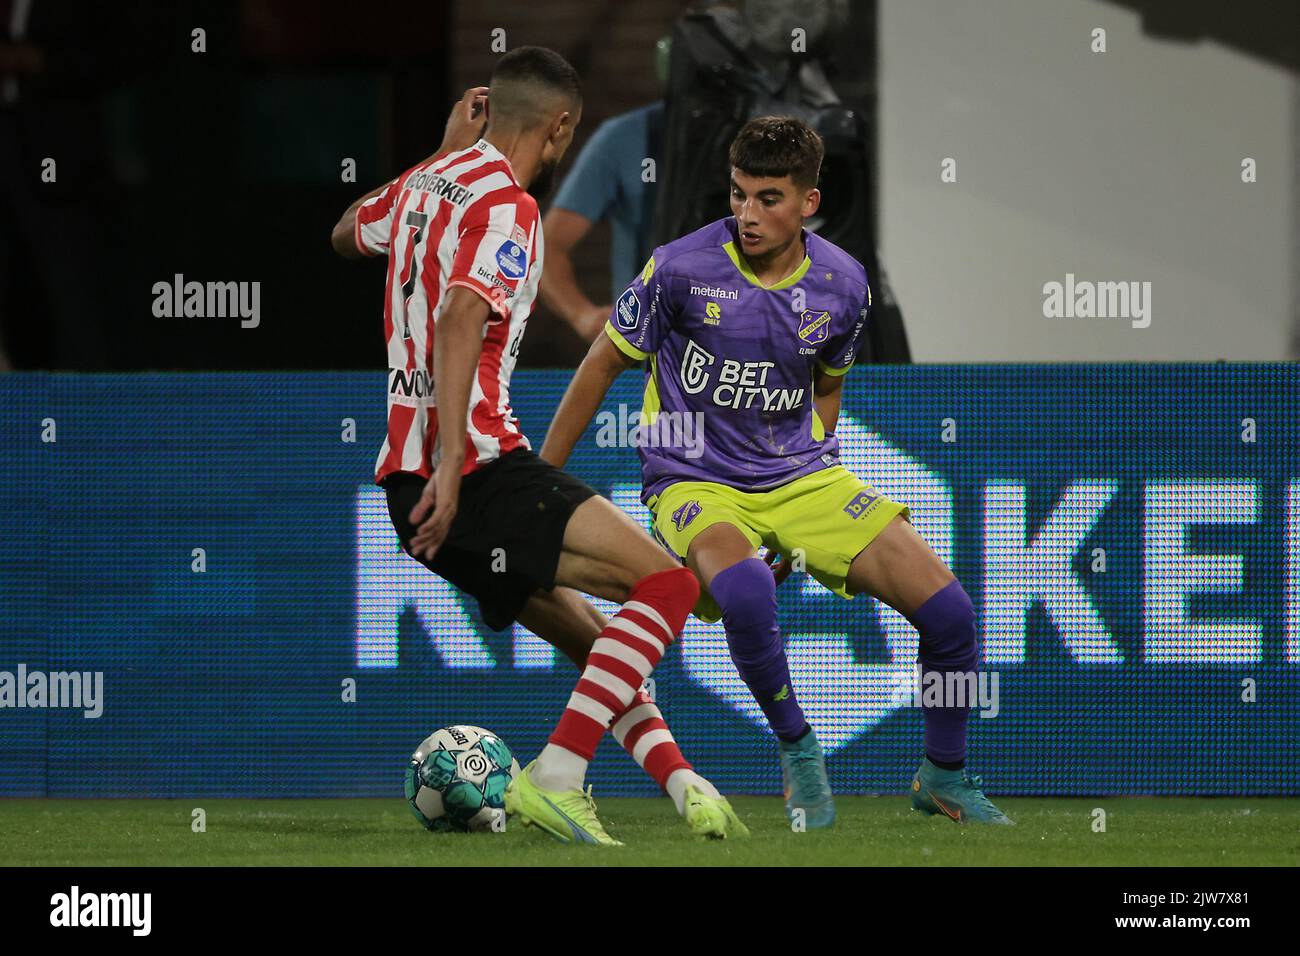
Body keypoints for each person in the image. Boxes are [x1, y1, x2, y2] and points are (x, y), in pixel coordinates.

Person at [540, 115, 1013, 828]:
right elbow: (601, 363)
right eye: (738, 195)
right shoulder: (678, 268)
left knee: (951, 615)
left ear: (808, 203)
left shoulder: (843, 284)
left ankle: (942, 774)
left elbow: (827, 386)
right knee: (749, 593)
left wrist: (815, 463)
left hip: (804, 479)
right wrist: (539, 481)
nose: (747, 214)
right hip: (694, 477)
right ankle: (797, 750)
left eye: (768, 199)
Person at [330, 48, 747, 846]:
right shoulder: (511, 206)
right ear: (558, 127)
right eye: (568, 138)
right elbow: (459, 314)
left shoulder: (427, 185)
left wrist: (442, 155)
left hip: (408, 487)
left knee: (602, 644)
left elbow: (347, 232)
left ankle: (685, 785)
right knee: (663, 585)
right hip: (475, 469)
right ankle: (557, 775)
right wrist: (453, 465)